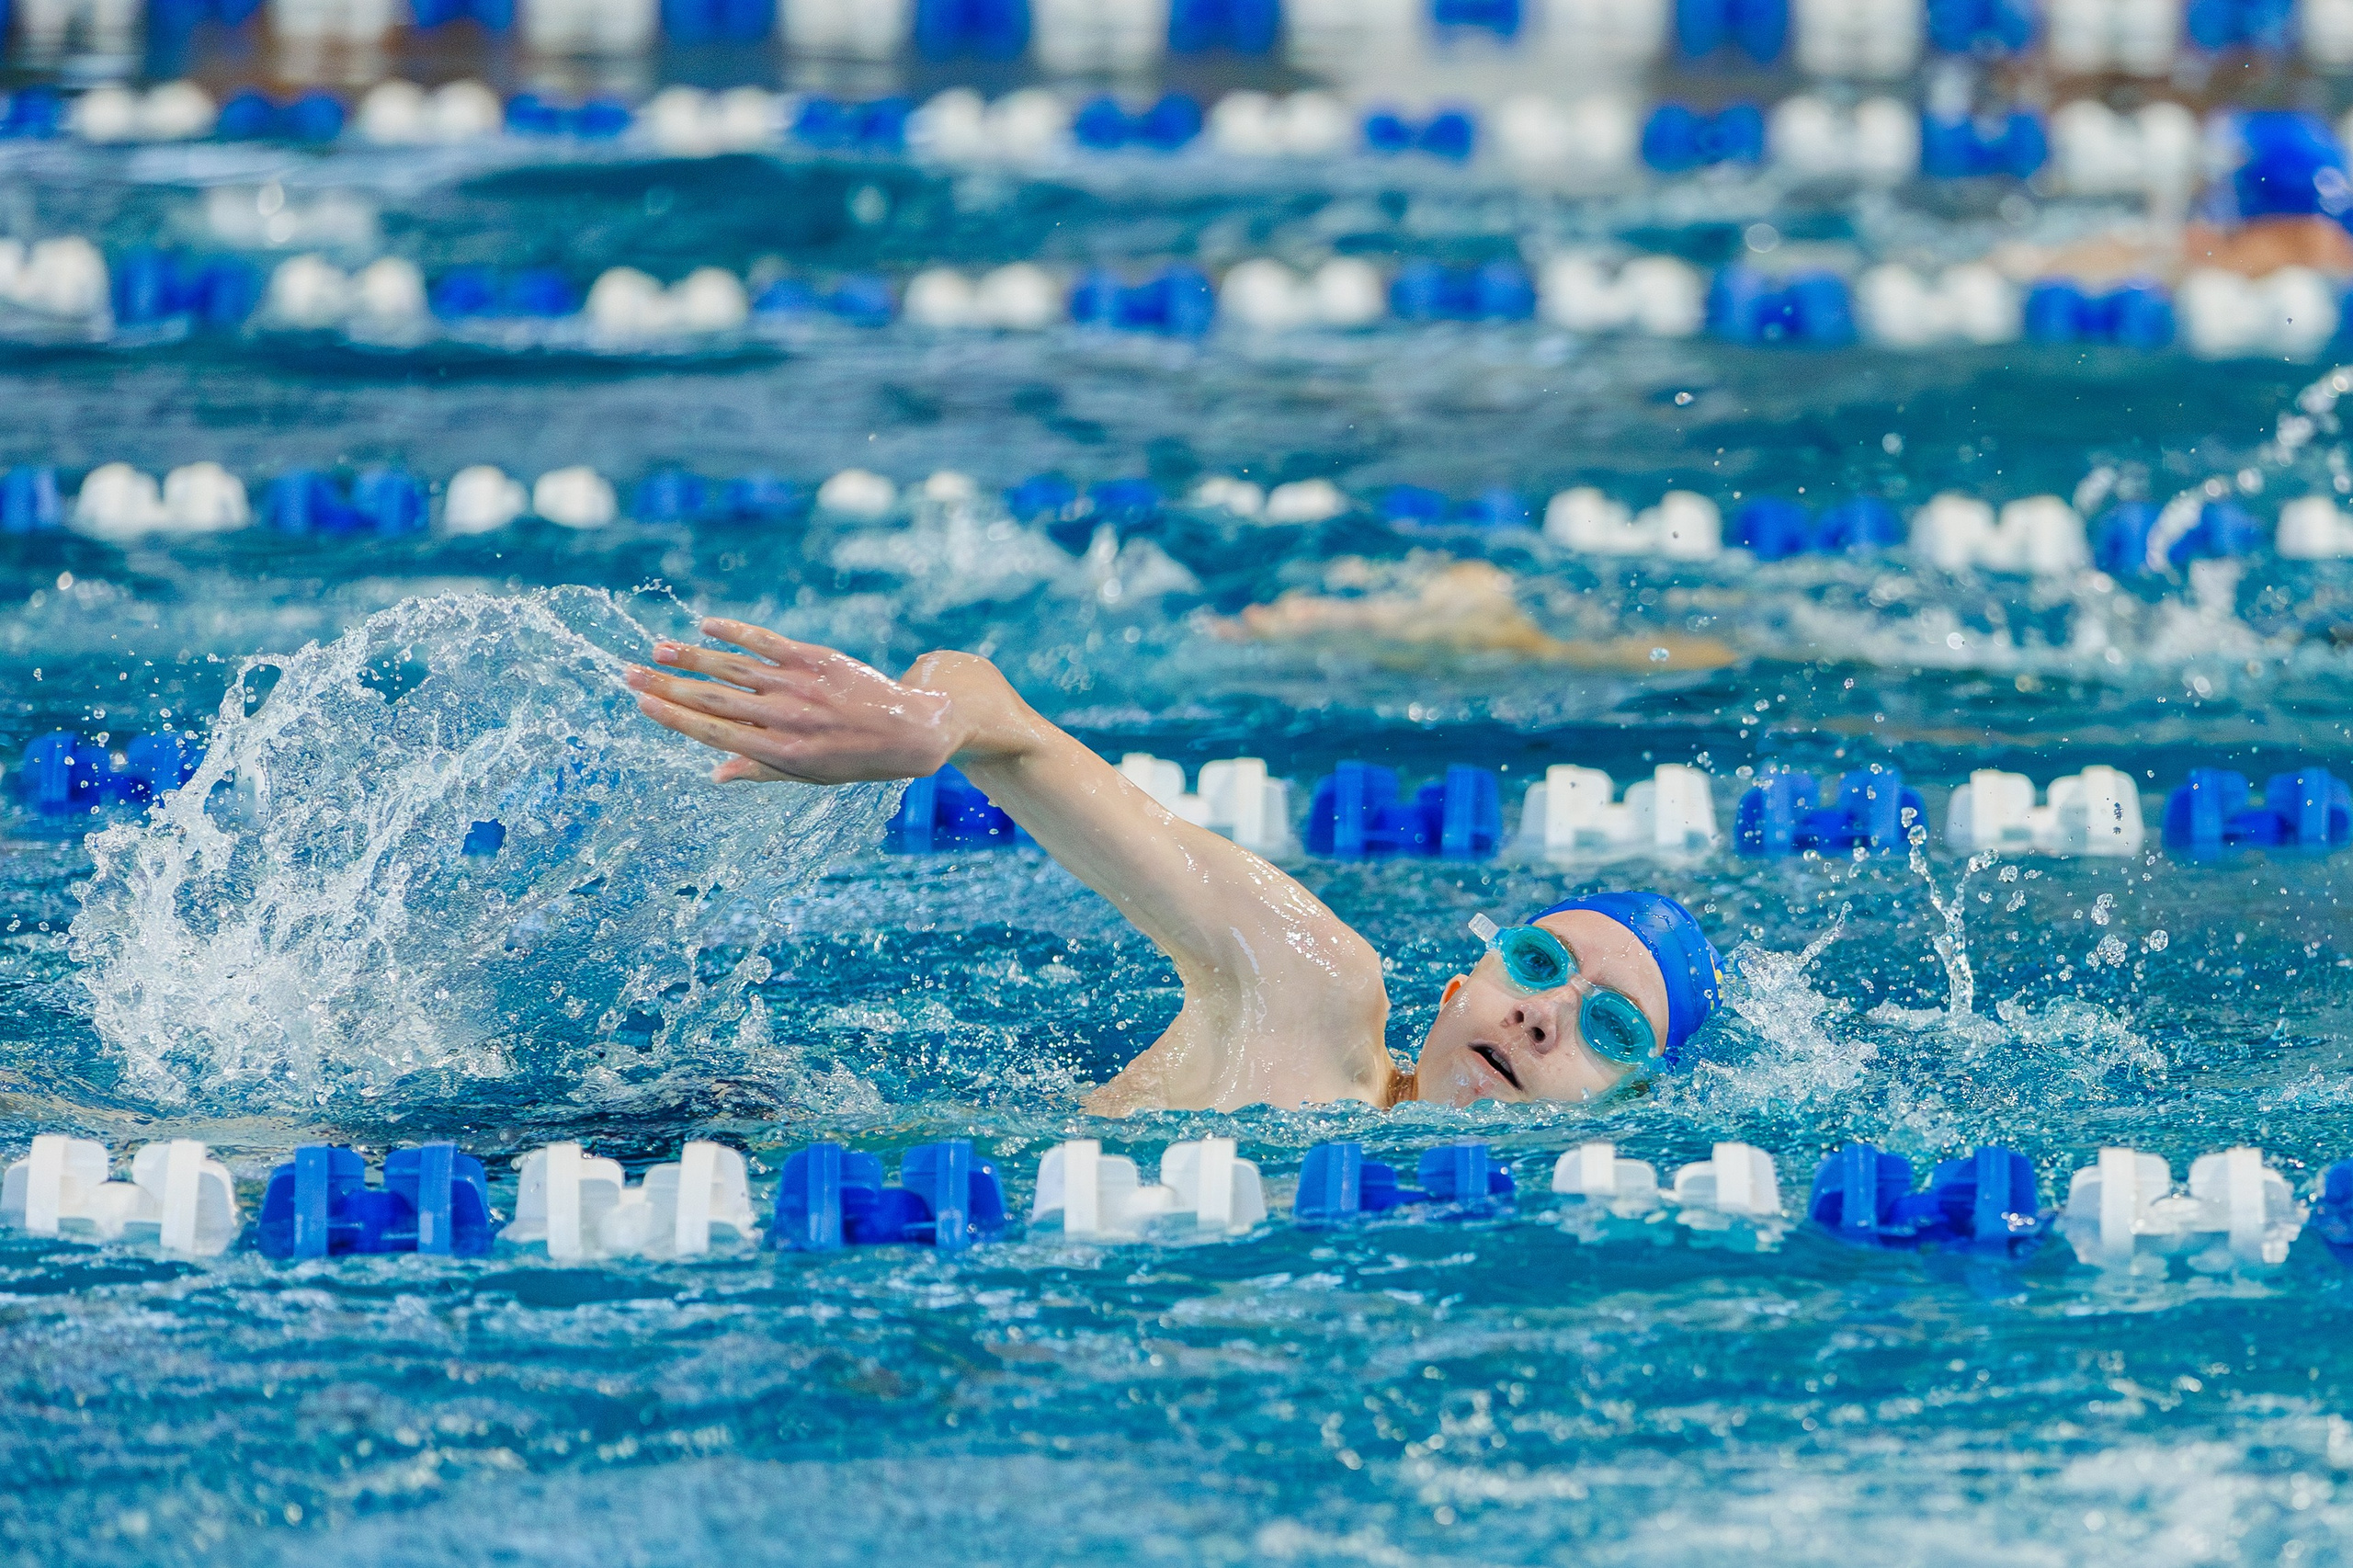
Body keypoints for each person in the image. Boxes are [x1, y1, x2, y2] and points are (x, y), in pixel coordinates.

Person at [627, 619, 1724, 1114]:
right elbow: (999, 712)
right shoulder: (1308, 991)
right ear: (1457, 990)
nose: (1545, 1017)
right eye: (1537, 964)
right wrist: (927, 725)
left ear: (1631, 1104)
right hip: (693, 1132)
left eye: (1610, 1027)